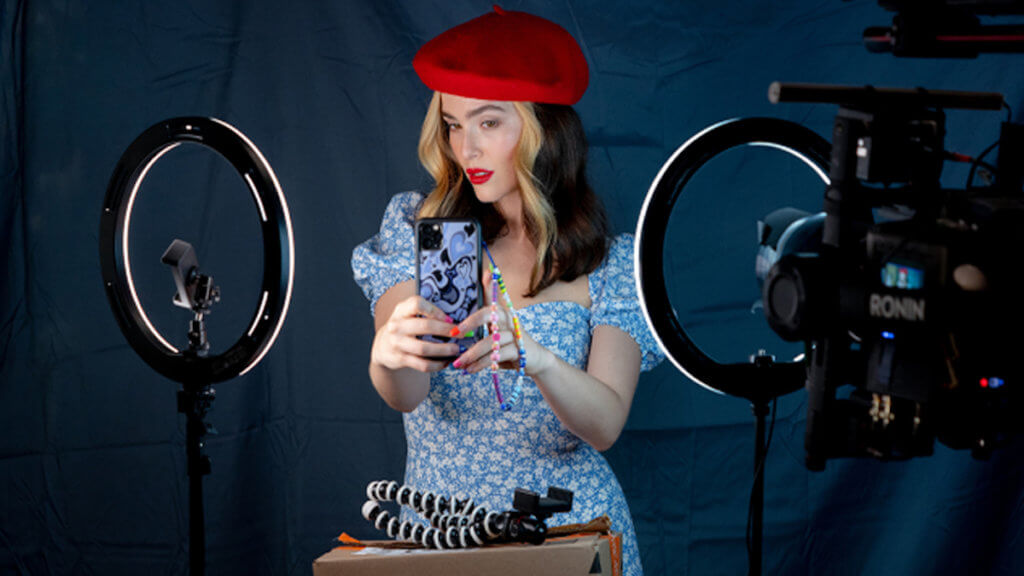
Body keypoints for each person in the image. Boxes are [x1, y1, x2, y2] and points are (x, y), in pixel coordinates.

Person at [351, 7, 663, 575]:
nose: (464, 148)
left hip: (571, 537)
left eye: (488, 123)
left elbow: (605, 423)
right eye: (452, 124)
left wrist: (537, 358)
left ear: (541, 127)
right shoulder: (420, 232)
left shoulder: (608, 262)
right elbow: (406, 392)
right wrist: (386, 356)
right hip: (443, 539)